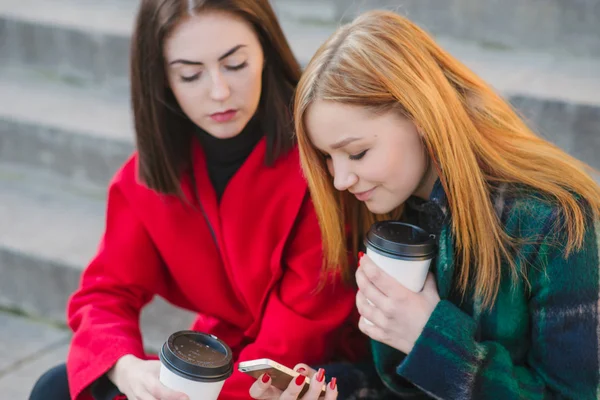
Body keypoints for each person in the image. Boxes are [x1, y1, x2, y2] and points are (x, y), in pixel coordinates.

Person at [250, 10, 600, 400]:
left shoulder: (554, 220)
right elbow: (403, 389)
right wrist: (329, 389)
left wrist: (431, 337)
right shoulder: (387, 207)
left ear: (419, 114)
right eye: (327, 158)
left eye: (358, 152)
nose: (339, 180)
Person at [29, 1, 365, 399]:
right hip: (219, 361)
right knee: (57, 387)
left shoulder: (319, 163)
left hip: (307, 374)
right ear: (162, 81)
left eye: (236, 65)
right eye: (190, 75)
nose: (219, 92)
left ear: (265, 53)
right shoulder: (150, 177)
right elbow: (105, 294)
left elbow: (293, 342)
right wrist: (126, 367)